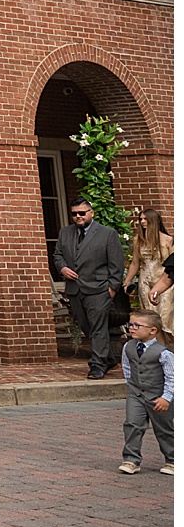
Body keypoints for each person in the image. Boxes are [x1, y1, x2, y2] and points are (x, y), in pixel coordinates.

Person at [53, 198, 127, 378]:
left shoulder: (107, 234)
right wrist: (62, 267)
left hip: (99, 288)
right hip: (75, 289)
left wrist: (112, 288)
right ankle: (108, 359)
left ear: (91, 213)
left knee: (98, 327)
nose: (78, 216)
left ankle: (97, 365)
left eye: (82, 213)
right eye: (74, 213)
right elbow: (57, 255)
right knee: (87, 327)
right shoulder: (65, 232)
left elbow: (116, 264)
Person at [118, 310, 174, 475]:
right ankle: (131, 459)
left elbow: (173, 377)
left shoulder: (163, 352)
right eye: (130, 324)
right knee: (132, 425)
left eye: (137, 325)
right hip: (136, 394)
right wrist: (132, 387)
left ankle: (173, 459)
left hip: (159, 395)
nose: (132, 328)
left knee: (165, 428)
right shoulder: (128, 347)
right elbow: (127, 369)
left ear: (153, 330)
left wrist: (166, 397)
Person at [126, 208, 174, 338]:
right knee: (149, 320)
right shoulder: (138, 240)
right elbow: (135, 263)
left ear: (154, 221)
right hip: (145, 282)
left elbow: (172, 264)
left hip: (164, 282)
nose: (142, 221)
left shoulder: (168, 240)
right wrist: (127, 281)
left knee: (165, 318)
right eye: (140, 219)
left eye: (145, 219)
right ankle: (156, 351)